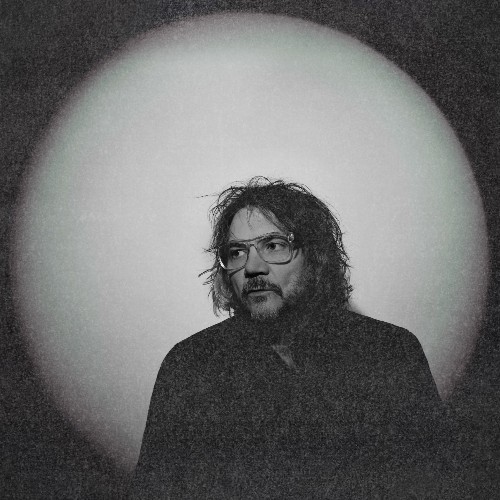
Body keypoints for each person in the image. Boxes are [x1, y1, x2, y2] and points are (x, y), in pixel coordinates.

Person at [130, 177, 450, 498]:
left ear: (315, 256)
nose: (253, 268)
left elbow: (434, 483)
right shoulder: (191, 366)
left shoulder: (390, 352)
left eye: (274, 245)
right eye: (237, 252)